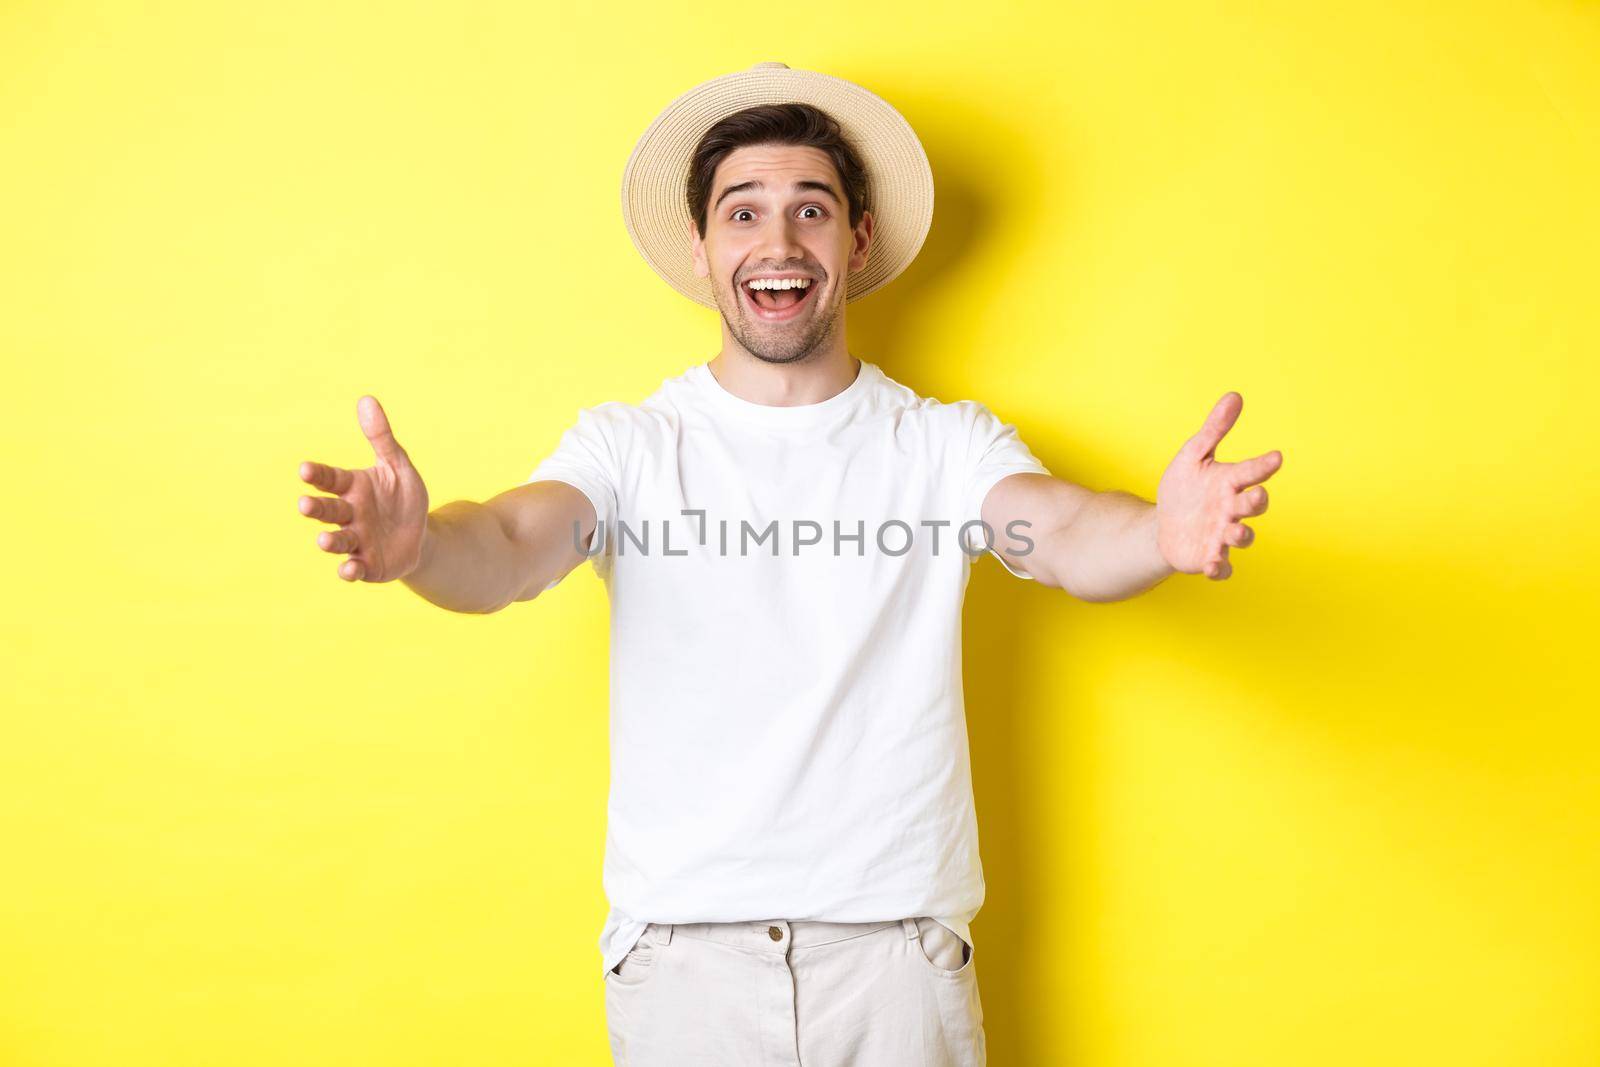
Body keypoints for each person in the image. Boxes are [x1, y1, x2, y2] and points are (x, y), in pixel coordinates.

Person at [293, 62, 1283, 1067]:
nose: (777, 242)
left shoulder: (939, 446)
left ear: (855, 239)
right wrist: (421, 548)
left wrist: (1157, 534)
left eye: (810, 210)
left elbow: (1064, 532)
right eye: (743, 213)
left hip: (895, 963)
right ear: (702, 247)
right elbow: (506, 546)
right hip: (685, 969)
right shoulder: (630, 446)